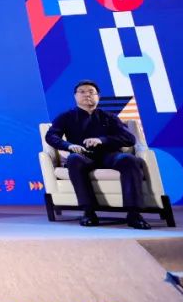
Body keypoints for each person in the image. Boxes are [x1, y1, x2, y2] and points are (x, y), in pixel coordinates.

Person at [45, 80, 150, 230]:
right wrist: (69, 146)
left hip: (109, 155)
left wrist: (102, 140)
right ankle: (88, 211)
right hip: (83, 155)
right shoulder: (66, 117)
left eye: (91, 92)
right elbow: (51, 136)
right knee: (74, 159)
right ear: (75, 96)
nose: (87, 95)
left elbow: (129, 139)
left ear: (98, 97)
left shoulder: (109, 117)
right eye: (82, 92)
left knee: (129, 159)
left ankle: (134, 214)